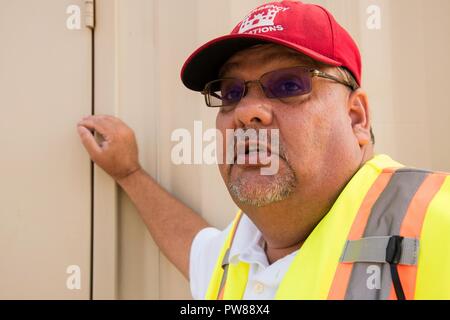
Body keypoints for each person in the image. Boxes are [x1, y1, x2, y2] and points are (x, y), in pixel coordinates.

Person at [76, 1, 450, 300]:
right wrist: (129, 173)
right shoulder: (238, 256)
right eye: (231, 92)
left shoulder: (436, 223)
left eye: (288, 84)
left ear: (356, 118)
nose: (244, 112)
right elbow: (192, 247)